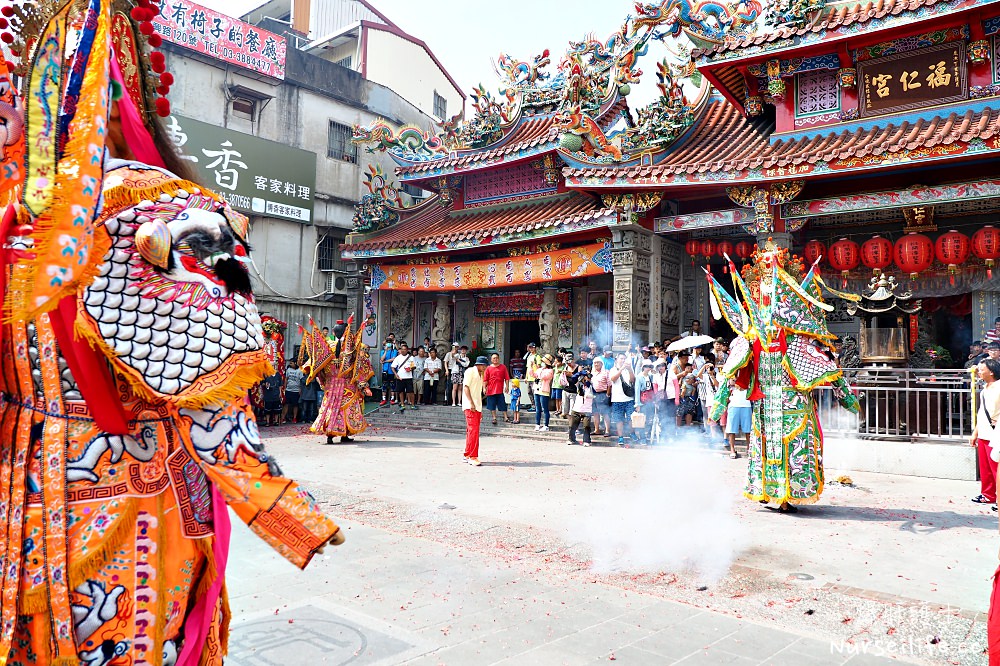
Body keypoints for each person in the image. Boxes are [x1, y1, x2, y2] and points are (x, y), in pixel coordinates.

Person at [0, 21, 345, 660]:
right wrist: (277, 503)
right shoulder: (100, 205)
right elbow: (208, 389)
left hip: (77, 489)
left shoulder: (140, 207)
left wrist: (273, 499)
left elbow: (205, 364)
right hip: (73, 488)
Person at [972, 359, 1000, 506]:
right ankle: (988, 495)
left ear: (992, 372)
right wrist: (975, 433)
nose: (979, 371)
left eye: (982, 369)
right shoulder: (984, 389)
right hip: (983, 432)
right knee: (986, 469)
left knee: (997, 468)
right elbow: (982, 412)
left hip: (996, 434)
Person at [463, 356, 489, 466]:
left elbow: (478, 393)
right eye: (484, 365)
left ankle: (467, 454)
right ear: (479, 364)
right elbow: (466, 387)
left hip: (476, 406)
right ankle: (473, 456)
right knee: (473, 431)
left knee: (471, 431)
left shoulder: (481, 375)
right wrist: (471, 403)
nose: (485, 367)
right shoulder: (470, 371)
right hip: (470, 406)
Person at [609, 353, 637, 446]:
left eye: (624, 359)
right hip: (617, 399)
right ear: (617, 360)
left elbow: (633, 380)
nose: (623, 360)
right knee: (619, 419)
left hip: (629, 399)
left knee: (631, 418)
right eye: (621, 358)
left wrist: (630, 370)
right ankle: (620, 437)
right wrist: (621, 369)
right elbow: (613, 379)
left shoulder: (628, 370)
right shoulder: (613, 370)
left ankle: (632, 433)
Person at [725, 382, 753, 459]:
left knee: (748, 430)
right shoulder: (730, 374)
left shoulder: (747, 374)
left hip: (746, 404)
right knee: (732, 430)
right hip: (733, 405)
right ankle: (732, 450)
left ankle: (749, 449)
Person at [484, 353, 511, 425]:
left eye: (496, 358)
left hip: (499, 389)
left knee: (502, 404)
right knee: (492, 405)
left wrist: (507, 386)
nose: (495, 359)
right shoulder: (488, 368)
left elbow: (507, 378)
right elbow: (485, 380)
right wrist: (484, 388)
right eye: (494, 358)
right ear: (491, 359)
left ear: (499, 358)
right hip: (490, 390)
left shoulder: (503, 367)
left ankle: (505, 417)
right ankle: (494, 418)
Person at [568, 372, 594, 446]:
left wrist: (589, 383)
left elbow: (596, 391)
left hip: (587, 409)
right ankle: (571, 439)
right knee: (572, 425)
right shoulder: (579, 384)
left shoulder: (591, 385)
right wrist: (580, 373)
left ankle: (587, 441)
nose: (586, 379)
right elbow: (573, 378)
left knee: (586, 426)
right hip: (577, 408)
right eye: (585, 377)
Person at [634, 360, 655, 445]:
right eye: (646, 366)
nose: (648, 368)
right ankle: (642, 438)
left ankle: (648, 435)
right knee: (642, 420)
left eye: (649, 367)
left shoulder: (651, 376)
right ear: (643, 367)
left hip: (650, 399)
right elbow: (637, 390)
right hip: (643, 401)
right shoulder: (639, 377)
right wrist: (637, 404)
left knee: (649, 419)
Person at [391, 342, 416, 412]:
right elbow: (393, 367)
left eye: (404, 349)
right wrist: (396, 375)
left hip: (408, 377)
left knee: (410, 391)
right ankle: (402, 404)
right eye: (402, 349)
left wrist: (410, 369)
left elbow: (414, 366)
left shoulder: (411, 357)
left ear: (407, 350)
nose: (403, 351)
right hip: (400, 377)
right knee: (401, 391)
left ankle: (413, 404)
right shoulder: (398, 358)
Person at [591, 357, 611, 436]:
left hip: (603, 394)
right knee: (595, 413)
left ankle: (607, 430)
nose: (596, 364)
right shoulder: (592, 373)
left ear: (602, 364)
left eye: (598, 363)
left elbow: (609, 385)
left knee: (605, 413)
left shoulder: (606, 372)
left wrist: (607, 395)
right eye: (595, 363)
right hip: (594, 394)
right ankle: (596, 430)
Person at [380, 338, 399, 405]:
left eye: (390, 342)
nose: (388, 343)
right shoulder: (382, 351)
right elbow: (381, 359)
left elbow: (393, 359)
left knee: (392, 385)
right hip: (385, 371)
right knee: (384, 385)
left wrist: (385, 361)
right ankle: (383, 399)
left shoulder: (394, 351)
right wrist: (385, 351)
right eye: (387, 342)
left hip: (392, 371)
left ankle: (392, 398)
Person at [525, 342, 541, 411]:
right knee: (529, 392)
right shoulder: (529, 356)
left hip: (535, 377)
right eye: (530, 347)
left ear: (535, 348)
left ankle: (537, 406)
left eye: (532, 347)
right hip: (529, 377)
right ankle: (533, 405)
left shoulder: (537, 356)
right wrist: (526, 377)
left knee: (535, 392)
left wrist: (534, 364)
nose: (531, 349)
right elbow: (528, 368)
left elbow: (539, 367)